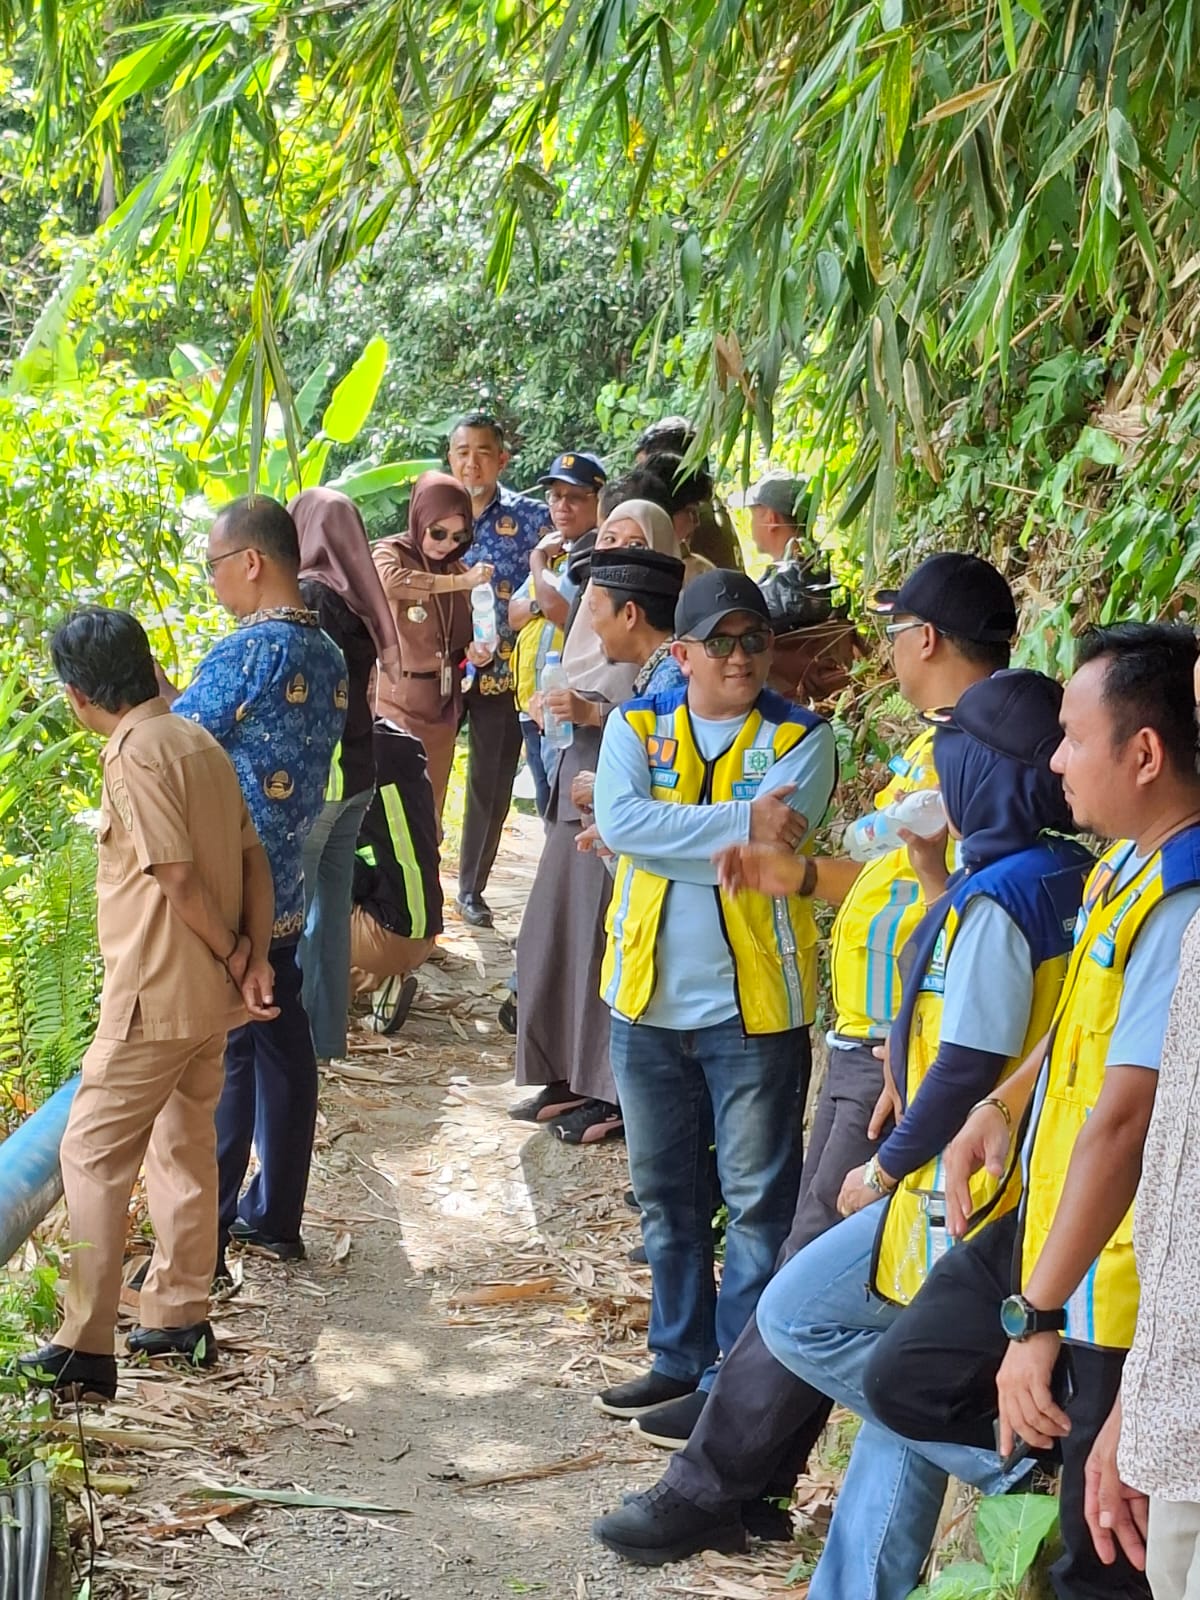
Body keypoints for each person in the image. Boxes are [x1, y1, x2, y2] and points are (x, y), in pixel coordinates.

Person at [592, 553, 1021, 1563]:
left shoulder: (985, 748)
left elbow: (982, 901)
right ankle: (757, 1485)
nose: (885, 649)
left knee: (802, 1274)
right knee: (828, 1276)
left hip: (906, 1061)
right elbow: (885, 866)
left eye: (894, 631)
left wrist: (933, 1074)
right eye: (723, 643)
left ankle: (717, 1482)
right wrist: (790, 871)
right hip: (880, 1045)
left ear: (925, 639)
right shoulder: (949, 741)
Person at [860, 623, 1200, 1600]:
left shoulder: (1183, 901)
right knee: (905, 1377)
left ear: (1144, 752)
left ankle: (1084, 1455)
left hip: (1113, 1273)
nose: (1055, 763)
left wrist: (1037, 1316)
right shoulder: (1124, 865)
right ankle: (1057, 1452)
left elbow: (1125, 1122)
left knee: (1103, 1564)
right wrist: (1002, 1105)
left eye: (1073, 739)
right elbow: (1084, 1023)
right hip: (1048, 1212)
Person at [750, 670, 1091, 1600]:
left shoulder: (1004, 899)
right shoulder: (1065, 872)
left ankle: (1012, 1459)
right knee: (899, 1380)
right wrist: (935, 873)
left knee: (801, 1316)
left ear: (985, 771)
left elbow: (972, 1060)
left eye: (956, 755)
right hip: (1006, 1181)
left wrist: (883, 1167)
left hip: (962, 1189)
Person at [589, 569, 837, 1420]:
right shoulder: (635, 723)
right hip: (644, 1004)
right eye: (721, 642)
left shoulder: (803, 737)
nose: (741, 657)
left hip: (754, 1012)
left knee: (757, 1204)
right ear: (681, 654)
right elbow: (621, 825)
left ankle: (732, 1382)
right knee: (667, 1197)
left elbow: (765, 862)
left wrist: (654, 839)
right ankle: (677, 1356)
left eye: (755, 639)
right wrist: (738, 822)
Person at [18, 608, 275, 1398]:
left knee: (90, 1152)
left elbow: (177, 877)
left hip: (154, 995)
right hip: (209, 1001)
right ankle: (178, 1315)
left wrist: (234, 952)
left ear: (77, 695)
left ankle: (84, 1343)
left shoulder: (134, 753)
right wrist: (253, 958)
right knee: (184, 1143)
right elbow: (255, 861)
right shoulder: (198, 740)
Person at [162, 496, 347, 1272]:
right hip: (287, 885)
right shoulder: (329, 652)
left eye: (213, 566)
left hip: (231, 888)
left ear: (250, 562)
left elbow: (172, 745)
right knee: (278, 1038)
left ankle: (204, 1234)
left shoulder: (247, 653)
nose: (212, 583)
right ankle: (272, 1214)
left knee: (231, 1052)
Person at [511, 500, 685, 1130]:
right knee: (555, 930)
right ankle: (562, 1070)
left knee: (601, 939)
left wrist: (592, 716)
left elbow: (665, 731)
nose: (614, 553)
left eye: (632, 543)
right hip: (581, 779)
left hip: (619, 798)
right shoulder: (597, 609)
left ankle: (605, 1090)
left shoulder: (669, 657)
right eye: (608, 539)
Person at [290, 487, 403, 1063]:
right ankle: (324, 1038)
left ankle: (297, 1039)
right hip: (357, 770)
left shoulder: (311, 597)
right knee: (329, 916)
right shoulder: (361, 597)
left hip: (322, 778)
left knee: (299, 915)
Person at [448, 412, 553, 927]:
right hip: (441, 672)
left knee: (490, 785)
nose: (472, 462)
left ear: (502, 459)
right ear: (450, 457)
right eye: (462, 451)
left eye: (483, 452)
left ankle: (471, 889)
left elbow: (557, 583)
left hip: (503, 676)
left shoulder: (533, 520)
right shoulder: (430, 511)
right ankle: (413, 887)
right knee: (421, 775)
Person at [372, 471, 490, 818]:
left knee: (429, 813)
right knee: (393, 809)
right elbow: (389, 583)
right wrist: (458, 582)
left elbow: (466, 633)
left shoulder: (457, 567)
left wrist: (473, 652)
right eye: (438, 532)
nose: (447, 544)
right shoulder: (391, 552)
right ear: (421, 518)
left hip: (442, 707)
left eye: (458, 536)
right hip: (395, 702)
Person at [510, 450, 607, 816]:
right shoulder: (557, 551)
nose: (562, 506)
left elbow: (562, 612)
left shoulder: (598, 552)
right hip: (533, 705)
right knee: (546, 803)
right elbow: (514, 613)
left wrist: (537, 562)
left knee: (570, 810)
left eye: (575, 497)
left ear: (599, 500)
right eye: (555, 496)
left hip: (571, 709)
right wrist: (541, 598)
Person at [350, 721, 443, 1034]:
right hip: (426, 932)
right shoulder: (404, 756)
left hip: (386, 934)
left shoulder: (350, 773)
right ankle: (380, 978)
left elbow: (350, 877)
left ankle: (325, 1005)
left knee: (295, 908)